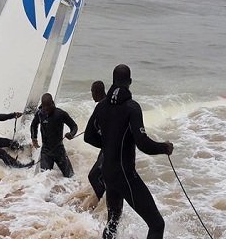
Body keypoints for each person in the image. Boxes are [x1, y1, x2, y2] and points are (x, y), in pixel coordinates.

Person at [84, 64, 174, 239]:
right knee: (156, 225)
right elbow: (143, 144)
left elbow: (88, 136)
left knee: (113, 222)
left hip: (108, 173)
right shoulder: (132, 107)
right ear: (130, 82)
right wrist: (164, 147)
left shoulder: (101, 107)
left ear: (112, 81)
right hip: (125, 174)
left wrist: (108, 145)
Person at [30, 92, 78, 177]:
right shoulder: (40, 114)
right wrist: (34, 138)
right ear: (42, 105)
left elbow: (74, 126)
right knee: (44, 178)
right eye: (45, 107)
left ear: (52, 103)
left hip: (59, 150)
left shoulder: (60, 114)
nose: (47, 109)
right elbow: (33, 125)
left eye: (49, 106)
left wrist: (71, 134)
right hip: (46, 151)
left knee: (71, 176)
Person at [87, 80, 106, 208]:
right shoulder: (108, 103)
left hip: (108, 148)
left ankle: (102, 203)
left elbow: (88, 136)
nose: (92, 94)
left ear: (96, 92)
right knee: (102, 176)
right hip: (109, 147)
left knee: (93, 176)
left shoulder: (101, 106)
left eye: (92, 92)